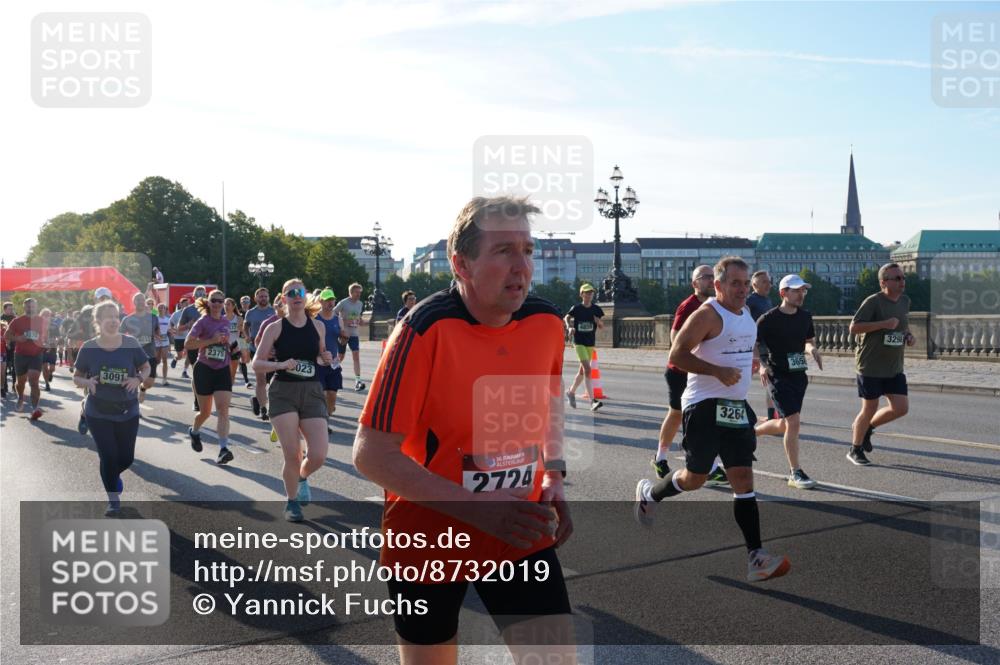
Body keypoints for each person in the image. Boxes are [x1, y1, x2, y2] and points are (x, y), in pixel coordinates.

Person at [353, 196, 574, 665]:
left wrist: (553, 474)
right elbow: (371, 454)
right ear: (462, 263)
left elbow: (549, 402)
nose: (522, 266)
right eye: (503, 251)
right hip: (429, 537)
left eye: (528, 250)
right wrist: (476, 507)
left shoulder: (547, 322)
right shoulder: (423, 329)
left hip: (517, 528)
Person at [634, 256, 790, 583]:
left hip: (734, 407)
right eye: (735, 283)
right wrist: (717, 371)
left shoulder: (746, 313)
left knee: (744, 479)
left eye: (746, 283)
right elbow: (676, 355)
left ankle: (756, 557)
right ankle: (651, 494)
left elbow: (745, 346)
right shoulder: (707, 314)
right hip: (703, 406)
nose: (743, 289)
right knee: (696, 478)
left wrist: (756, 364)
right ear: (718, 285)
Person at [253, 279, 334, 522]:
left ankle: (301, 477)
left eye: (300, 292)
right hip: (283, 392)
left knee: (318, 454)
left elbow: (321, 356)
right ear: (284, 298)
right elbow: (257, 363)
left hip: (311, 391)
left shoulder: (317, 326)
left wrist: (325, 358)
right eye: (291, 293)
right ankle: (291, 502)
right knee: (292, 454)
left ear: (306, 295)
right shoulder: (275, 328)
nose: (296, 296)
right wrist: (280, 364)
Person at [652, 265, 728, 486]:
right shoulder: (689, 305)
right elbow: (675, 338)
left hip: (701, 372)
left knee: (703, 417)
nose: (710, 280)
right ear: (695, 284)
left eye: (712, 277)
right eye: (704, 277)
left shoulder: (716, 306)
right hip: (681, 372)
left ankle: (709, 465)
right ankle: (661, 457)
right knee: (679, 415)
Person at [73, 300, 150, 516]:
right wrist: (87, 383)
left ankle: (111, 476)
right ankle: (113, 499)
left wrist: (139, 379)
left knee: (126, 458)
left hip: (128, 409)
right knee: (108, 457)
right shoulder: (89, 348)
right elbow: (76, 377)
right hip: (98, 411)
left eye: (116, 316)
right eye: (109, 317)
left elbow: (145, 366)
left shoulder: (130, 343)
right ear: (98, 321)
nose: (114, 321)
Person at [753, 275, 823, 489]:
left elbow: (806, 341)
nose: (801, 294)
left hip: (799, 375)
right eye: (796, 290)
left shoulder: (805, 316)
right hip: (777, 374)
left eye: (803, 290)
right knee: (793, 422)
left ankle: (750, 433)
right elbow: (754, 345)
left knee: (785, 424)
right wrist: (762, 366)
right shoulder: (767, 319)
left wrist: (812, 350)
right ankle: (795, 472)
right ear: (783, 293)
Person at [847, 262, 914, 466]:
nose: (902, 281)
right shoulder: (873, 302)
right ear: (884, 282)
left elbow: (903, 325)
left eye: (903, 278)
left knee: (901, 408)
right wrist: (883, 325)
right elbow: (854, 327)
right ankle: (855, 449)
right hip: (871, 366)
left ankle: (868, 428)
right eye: (897, 278)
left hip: (893, 367)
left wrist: (908, 336)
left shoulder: (905, 301)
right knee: (869, 408)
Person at [185, 289, 235, 465]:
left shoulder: (226, 321)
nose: (217, 304)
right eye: (214, 300)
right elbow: (188, 344)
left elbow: (232, 341)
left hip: (222, 369)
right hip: (204, 369)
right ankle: (195, 431)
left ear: (224, 304)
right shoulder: (202, 322)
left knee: (223, 410)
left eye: (220, 301)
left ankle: (223, 449)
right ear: (208, 302)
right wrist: (211, 341)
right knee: (205, 412)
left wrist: (239, 350)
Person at [563, 283, 605, 411]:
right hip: (579, 342)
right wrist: (569, 326)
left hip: (590, 342)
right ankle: (592, 401)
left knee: (582, 371)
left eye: (591, 293)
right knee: (588, 369)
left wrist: (599, 323)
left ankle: (571, 392)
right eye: (586, 293)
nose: (589, 295)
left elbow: (602, 326)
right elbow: (567, 317)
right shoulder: (576, 308)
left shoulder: (596, 309)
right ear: (581, 294)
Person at [4, 298, 47, 420]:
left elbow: (47, 336)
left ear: (36, 307)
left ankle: (35, 408)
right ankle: (21, 397)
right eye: (28, 306)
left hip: (36, 354)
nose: (30, 308)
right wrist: (18, 338)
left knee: (34, 381)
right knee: (21, 382)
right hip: (21, 354)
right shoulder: (17, 321)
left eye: (32, 306)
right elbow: (6, 335)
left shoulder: (41, 320)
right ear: (24, 307)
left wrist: (46, 342)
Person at [746, 270, 777, 421]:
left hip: (767, 347)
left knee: (770, 380)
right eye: (764, 281)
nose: (768, 284)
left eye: (769, 281)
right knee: (743, 380)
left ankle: (772, 415)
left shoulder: (767, 300)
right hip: (754, 347)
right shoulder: (750, 301)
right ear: (754, 284)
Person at [119, 293, 159, 403]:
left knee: (149, 382)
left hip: (150, 353)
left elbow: (157, 332)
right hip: (133, 355)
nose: (141, 302)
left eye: (142, 300)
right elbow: (119, 335)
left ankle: (143, 388)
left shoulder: (153, 317)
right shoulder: (127, 319)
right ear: (134, 302)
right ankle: (135, 406)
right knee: (133, 380)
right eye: (138, 300)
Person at [243, 288, 275, 420]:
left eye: (265, 296)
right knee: (261, 380)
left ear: (268, 297)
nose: (263, 298)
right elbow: (245, 326)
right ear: (256, 298)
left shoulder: (273, 311)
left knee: (272, 382)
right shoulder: (251, 312)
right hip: (256, 350)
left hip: (273, 352)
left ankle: (257, 399)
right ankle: (263, 409)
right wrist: (247, 336)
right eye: (261, 296)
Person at [315, 289, 345, 425]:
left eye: (332, 299)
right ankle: (323, 423)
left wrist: (344, 339)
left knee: (332, 394)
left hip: (333, 363)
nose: (330, 303)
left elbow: (341, 341)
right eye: (327, 300)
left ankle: (327, 414)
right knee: (320, 394)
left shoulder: (338, 319)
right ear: (320, 301)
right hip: (318, 362)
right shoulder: (315, 318)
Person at [178, 286, 208, 411]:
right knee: (197, 373)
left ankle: (206, 399)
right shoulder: (188, 310)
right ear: (194, 296)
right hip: (193, 344)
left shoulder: (212, 308)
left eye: (203, 293)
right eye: (198, 294)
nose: (200, 295)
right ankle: (197, 399)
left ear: (206, 295)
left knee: (207, 374)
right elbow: (179, 328)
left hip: (208, 344)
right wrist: (188, 325)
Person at [334, 283, 365, 391]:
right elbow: (333, 313)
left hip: (354, 334)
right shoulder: (343, 302)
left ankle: (358, 380)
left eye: (360, 292)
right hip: (343, 334)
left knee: (356, 355)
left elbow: (358, 316)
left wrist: (360, 321)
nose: (358, 294)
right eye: (356, 292)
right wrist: (343, 321)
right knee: (340, 357)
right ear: (350, 293)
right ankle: (331, 371)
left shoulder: (360, 304)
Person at [223, 298, 250, 385]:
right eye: (225, 304)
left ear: (233, 306)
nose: (226, 306)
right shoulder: (221, 319)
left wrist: (243, 349)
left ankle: (229, 389)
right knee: (224, 371)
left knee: (232, 372)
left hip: (235, 348)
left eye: (228, 304)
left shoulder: (239, 319)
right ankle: (224, 388)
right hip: (224, 347)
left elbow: (242, 336)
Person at [168, 298, 190, 377]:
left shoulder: (190, 313)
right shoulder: (176, 314)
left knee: (188, 355)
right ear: (180, 304)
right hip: (178, 338)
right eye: (185, 303)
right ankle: (175, 359)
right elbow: (170, 324)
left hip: (189, 337)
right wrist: (173, 331)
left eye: (188, 303)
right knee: (180, 356)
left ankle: (184, 371)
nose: (187, 305)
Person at [40, 308, 59, 391]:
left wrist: (57, 341)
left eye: (48, 315)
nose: (47, 317)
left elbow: (58, 336)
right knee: (44, 368)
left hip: (52, 348)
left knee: (52, 368)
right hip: (42, 349)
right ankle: (47, 384)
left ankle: (50, 373)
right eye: (45, 315)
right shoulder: (38, 325)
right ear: (41, 316)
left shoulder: (54, 326)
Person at [155, 303, 172, 385]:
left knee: (164, 360)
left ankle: (164, 379)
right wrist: (157, 336)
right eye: (160, 308)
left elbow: (169, 330)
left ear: (165, 310)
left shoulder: (167, 319)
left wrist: (174, 332)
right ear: (157, 309)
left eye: (163, 308)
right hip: (156, 342)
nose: (162, 309)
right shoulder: (155, 319)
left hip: (165, 341)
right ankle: (153, 372)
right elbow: (152, 330)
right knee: (157, 361)